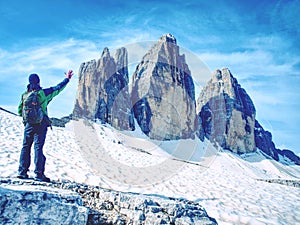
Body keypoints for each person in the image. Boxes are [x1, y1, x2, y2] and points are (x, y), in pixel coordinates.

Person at [17, 70, 74, 182]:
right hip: (41, 124)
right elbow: (58, 88)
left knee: (26, 146)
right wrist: (67, 79)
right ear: (38, 82)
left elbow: (20, 110)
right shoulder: (43, 93)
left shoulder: (25, 95)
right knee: (38, 147)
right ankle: (39, 174)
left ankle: (22, 172)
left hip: (29, 125)